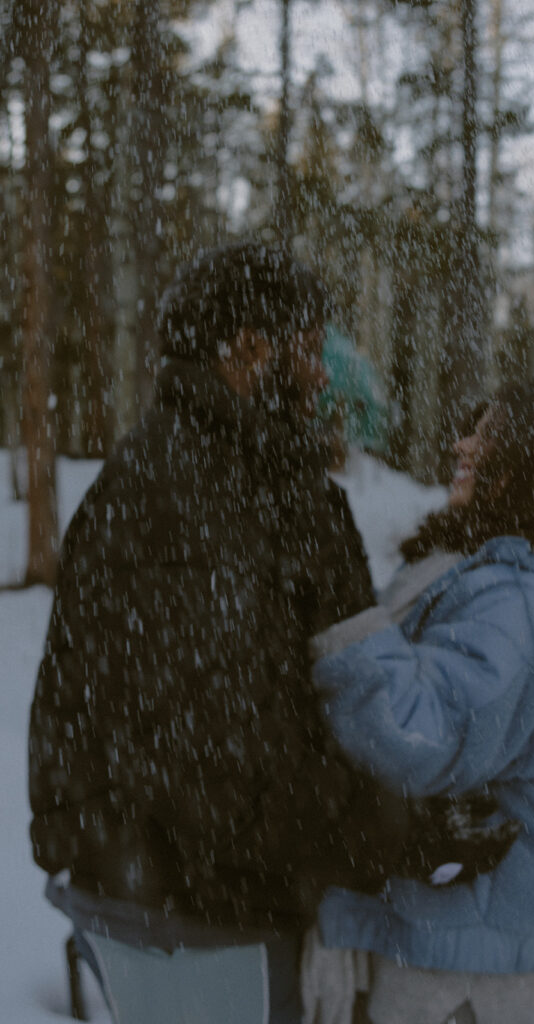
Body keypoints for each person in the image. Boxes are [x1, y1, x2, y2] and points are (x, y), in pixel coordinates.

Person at [27, 243, 407, 1022]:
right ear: (249, 349)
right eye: (308, 351)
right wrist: (398, 833)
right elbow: (223, 746)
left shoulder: (172, 470)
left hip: (150, 888)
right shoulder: (220, 492)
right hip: (204, 912)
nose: (322, 375)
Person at [307, 381, 534, 1024]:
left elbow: (418, 736)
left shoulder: (527, 602)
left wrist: (346, 624)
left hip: (470, 955)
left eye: (490, 433)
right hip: (498, 931)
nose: (464, 444)